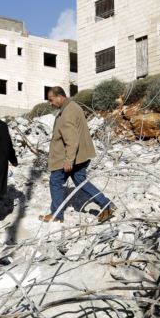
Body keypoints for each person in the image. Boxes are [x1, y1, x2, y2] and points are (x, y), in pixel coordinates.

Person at [41, 86, 115, 223]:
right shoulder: (73, 106)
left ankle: (57, 215)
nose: (50, 103)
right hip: (81, 155)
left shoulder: (67, 113)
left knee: (55, 182)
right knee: (81, 181)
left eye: (51, 100)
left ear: (59, 97)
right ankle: (106, 204)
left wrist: (69, 160)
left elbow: (71, 139)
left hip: (67, 157)